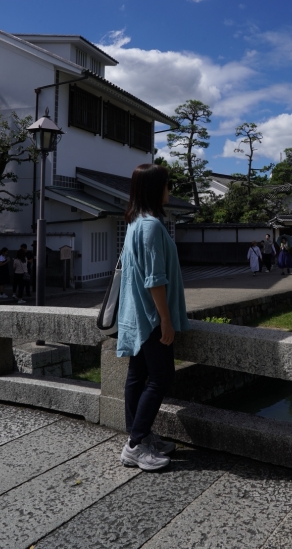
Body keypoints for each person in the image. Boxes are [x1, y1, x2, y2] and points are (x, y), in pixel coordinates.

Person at [117, 163, 190, 471]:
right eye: (165, 185)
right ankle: (135, 444)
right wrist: (166, 319)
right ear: (154, 189)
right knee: (161, 377)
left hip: (135, 314)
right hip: (150, 317)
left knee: (137, 377)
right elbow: (155, 279)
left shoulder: (135, 223)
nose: (168, 190)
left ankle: (141, 436)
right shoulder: (151, 227)